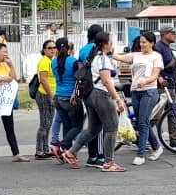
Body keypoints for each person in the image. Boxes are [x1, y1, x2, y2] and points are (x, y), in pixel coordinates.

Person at [62, 32, 127, 171]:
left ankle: (71, 152)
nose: (112, 44)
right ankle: (109, 163)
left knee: (93, 129)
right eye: (110, 42)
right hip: (101, 95)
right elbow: (106, 81)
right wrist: (118, 99)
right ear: (105, 44)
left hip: (90, 95)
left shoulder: (92, 58)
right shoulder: (102, 59)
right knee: (111, 128)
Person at [113, 31, 164, 165]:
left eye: (144, 42)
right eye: (140, 42)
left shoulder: (156, 56)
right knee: (143, 122)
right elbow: (120, 57)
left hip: (149, 91)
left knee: (142, 122)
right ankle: (157, 148)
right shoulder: (135, 55)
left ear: (152, 43)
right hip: (135, 91)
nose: (141, 45)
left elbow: (155, 75)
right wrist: (108, 50)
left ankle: (140, 154)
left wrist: (146, 82)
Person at [0, 42, 28, 163]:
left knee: (10, 127)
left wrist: (11, 65)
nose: (6, 54)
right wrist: (2, 78)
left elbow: (13, 77)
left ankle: (16, 153)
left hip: (5, 102)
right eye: (3, 52)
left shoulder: (5, 65)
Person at [51, 37, 84, 161]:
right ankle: (62, 146)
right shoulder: (73, 61)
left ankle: (67, 153)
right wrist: (74, 93)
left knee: (67, 125)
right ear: (69, 48)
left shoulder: (53, 62)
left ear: (57, 49)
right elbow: (78, 79)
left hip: (58, 97)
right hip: (71, 98)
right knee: (77, 126)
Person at [78, 24, 106, 167]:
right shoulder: (99, 50)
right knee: (100, 124)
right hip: (98, 89)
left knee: (91, 123)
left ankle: (92, 155)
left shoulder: (82, 50)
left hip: (85, 90)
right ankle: (101, 156)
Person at [154, 27, 176, 148]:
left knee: (173, 111)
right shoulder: (158, 47)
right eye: (172, 33)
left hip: (170, 85)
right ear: (164, 34)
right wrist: (159, 77)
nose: (175, 35)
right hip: (161, 86)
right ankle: (142, 136)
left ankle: (174, 139)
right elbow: (154, 65)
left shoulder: (166, 47)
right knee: (156, 115)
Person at [34, 40, 57, 160]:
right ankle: (39, 150)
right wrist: (51, 96)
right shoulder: (44, 61)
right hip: (44, 94)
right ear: (44, 50)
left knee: (48, 123)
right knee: (44, 123)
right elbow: (43, 80)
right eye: (49, 48)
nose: (52, 49)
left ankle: (45, 148)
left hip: (50, 94)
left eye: (54, 47)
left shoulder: (50, 61)